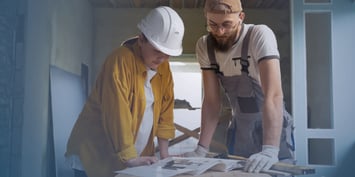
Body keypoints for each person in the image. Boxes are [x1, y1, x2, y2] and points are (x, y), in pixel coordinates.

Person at [65, 6, 184, 177]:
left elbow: (166, 112)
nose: (162, 58)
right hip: (95, 153)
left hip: (130, 157)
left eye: (168, 54)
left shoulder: (164, 68)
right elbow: (117, 114)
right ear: (141, 39)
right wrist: (128, 158)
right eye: (158, 51)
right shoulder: (120, 61)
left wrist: (164, 154)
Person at [183, 0, 295, 174]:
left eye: (227, 24)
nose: (220, 32)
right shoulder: (204, 45)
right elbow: (212, 102)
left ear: (241, 17)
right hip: (241, 128)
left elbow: (273, 95)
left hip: (272, 128)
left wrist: (270, 150)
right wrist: (201, 149)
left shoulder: (258, 35)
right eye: (212, 25)